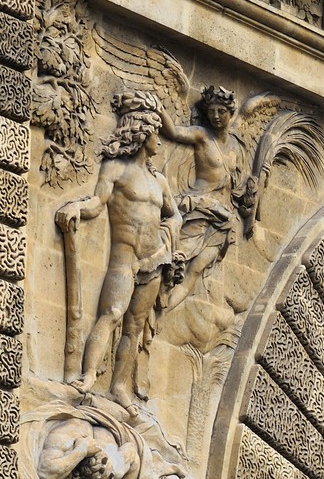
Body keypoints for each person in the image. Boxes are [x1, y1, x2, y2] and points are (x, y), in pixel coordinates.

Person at [56, 91, 184, 408]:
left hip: (154, 260)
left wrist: (168, 237)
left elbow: (174, 215)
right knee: (111, 314)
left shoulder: (160, 181)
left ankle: (119, 387)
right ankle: (88, 375)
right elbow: (96, 203)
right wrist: (76, 207)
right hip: (124, 259)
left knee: (134, 327)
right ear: (142, 132)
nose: (160, 141)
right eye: (156, 134)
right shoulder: (116, 169)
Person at [159, 84, 249, 309]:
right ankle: (152, 298)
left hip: (223, 220)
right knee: (175, 260)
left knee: (196, 269)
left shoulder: (236, 146)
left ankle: (163, 310)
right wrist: (157, 108)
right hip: (200, 209)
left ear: (231, 112)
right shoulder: (202, 136)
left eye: (221, 111)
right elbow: (174, 132)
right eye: (212, 112)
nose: (216, 116)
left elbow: (237, 185)